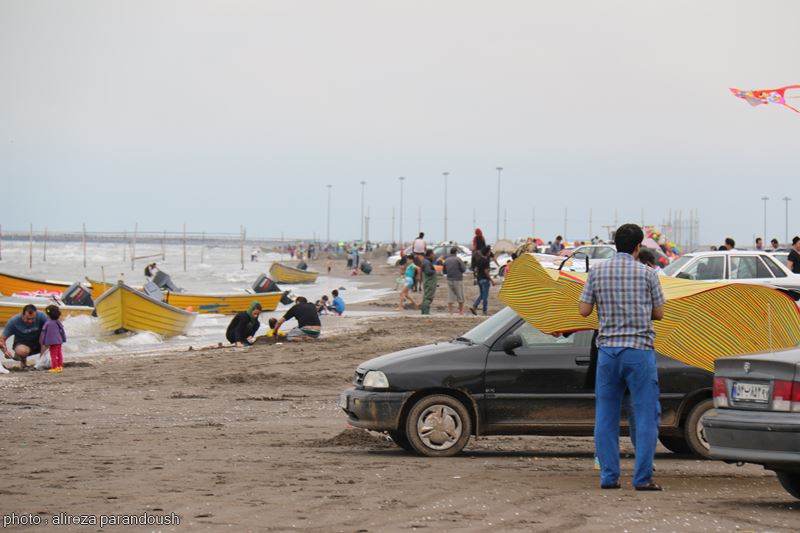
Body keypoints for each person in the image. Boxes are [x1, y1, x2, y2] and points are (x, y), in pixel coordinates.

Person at [579, 223, 665, 491]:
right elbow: (660, 313)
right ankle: (642, 478)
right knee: (645, 416)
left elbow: (584, 310)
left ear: (615, 244)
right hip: (639, 351)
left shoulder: (597, 271)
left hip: (607, 353)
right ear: (639, 247)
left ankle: (608, 476)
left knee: (605, 416)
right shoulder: (648, 274)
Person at [1, 304, 47, 371]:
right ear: (22, 315)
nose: (30, 321)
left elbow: (52, 328)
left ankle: (41, 363)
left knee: (48, 339)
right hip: (23, 344)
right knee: (22, 351)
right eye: (28, 319)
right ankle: (23, 363)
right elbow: (2, 339)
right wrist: (5, 352)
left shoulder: (41, 316)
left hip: (39, 343)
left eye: (32, 319)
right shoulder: (14, 321)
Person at [40, 305, 67, 373]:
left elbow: (44, 333)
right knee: (59, 353)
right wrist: (63, 339)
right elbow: (62, 331)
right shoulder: (58, 322)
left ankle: (55, 367)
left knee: (53, 355)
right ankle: (60, 366)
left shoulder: (48, 323)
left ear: (48, 315)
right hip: (59, 341)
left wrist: (43, 342)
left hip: (52, 342)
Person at [469, 247, 495, 316]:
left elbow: (477, 269)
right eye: (489, 251)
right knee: (485, 296)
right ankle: (484, 311)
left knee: (482, 295)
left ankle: (475, 306)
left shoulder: (479, 260)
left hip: (479, 279)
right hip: (485, 280)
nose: (490, 253)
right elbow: (486, 272)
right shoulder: (486, 260)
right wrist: (491, 280)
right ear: (487, 252)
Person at [444, 246, 466, 315]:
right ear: (456, 252)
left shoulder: (446, 260)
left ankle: (450, 312)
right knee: (460, 296)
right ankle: (461, 312)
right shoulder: (458, 259)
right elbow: (463, 269)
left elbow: (444, 271)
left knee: (450, 295)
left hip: (449, 279)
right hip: (458, 279)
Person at [420, 249, 437, 315]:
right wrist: (435, 270)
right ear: (430, 254)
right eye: (433, 254)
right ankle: (426, 312)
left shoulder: (426, 261)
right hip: (430, 282)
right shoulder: (427, 262)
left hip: (428, 282)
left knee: (426, 297)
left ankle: (424, 312)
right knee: (428, 297)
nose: (434, 255)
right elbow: (428, 272)